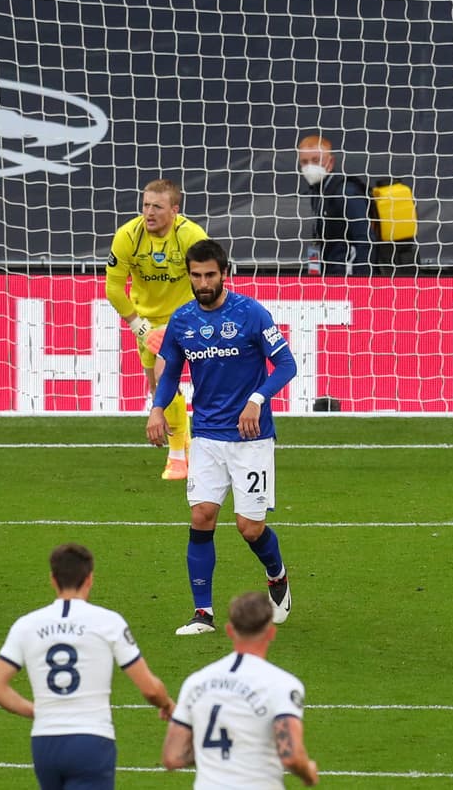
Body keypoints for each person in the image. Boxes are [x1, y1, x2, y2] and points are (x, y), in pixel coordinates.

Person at [147, 239, 299, 636]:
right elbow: (171, 373)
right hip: (208, 436)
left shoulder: (250, 313)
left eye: (210, 275)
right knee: (202, 516)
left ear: (224, 273)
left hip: (251, 437)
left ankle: (277, 574)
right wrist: (157, 408)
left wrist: (257, 398)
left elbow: (286, 364)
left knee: (249, 527)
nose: (203, 282)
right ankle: (203, 613)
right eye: (196, 276)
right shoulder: (182, 321)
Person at [0, 543, 174, 789]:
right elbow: (150, 689)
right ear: (90, 578)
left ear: (53, 579)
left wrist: (36, 710)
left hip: (45, 743)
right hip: (91, 741)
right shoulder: (108, 623)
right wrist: (167, 704)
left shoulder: (26, 625)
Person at [105, 178, 207, 480]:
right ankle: (185, 442)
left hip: (185, 317)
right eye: (145, 205)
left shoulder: (191, 236)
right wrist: (141, 328)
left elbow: (207, 279)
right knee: (157, 388)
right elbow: (113, 288)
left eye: (157, 206)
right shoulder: (128, 236)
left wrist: (197, 317)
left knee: (166, 374)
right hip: (145, 321)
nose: (149, 212)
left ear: (174, 210)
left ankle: (177, 456)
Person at [162, 591, 318, 788]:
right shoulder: (283, 685)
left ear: (229, 630)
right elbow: (291, 757)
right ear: (271, 632)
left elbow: (172, 757)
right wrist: (308, 774)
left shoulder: (196, 683)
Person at [297, 134, 374, 277]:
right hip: (328, 274)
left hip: (348, 277)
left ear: (330, 162)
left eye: (315, 160)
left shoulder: (346, 192)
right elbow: (317, 239)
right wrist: (314, 274)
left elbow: (365, 240)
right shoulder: (317, 192)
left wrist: (362, 282)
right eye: (304, 162)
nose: (309, 167)